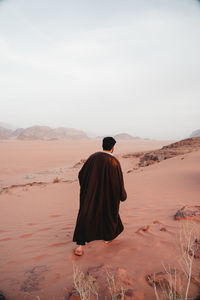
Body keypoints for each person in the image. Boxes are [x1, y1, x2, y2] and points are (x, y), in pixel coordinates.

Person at [73, 136, 127, 256]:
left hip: (90, 195)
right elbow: (118, 181)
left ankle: (80, 246)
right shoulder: (114, 162)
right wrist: (122, 195)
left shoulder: (93, 158)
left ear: (103, 145)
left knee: (86, 214)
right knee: (108, 215)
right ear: (113, 147)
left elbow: (81, 174)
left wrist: (88, 188)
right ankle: (107, 238)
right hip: (108, 197)